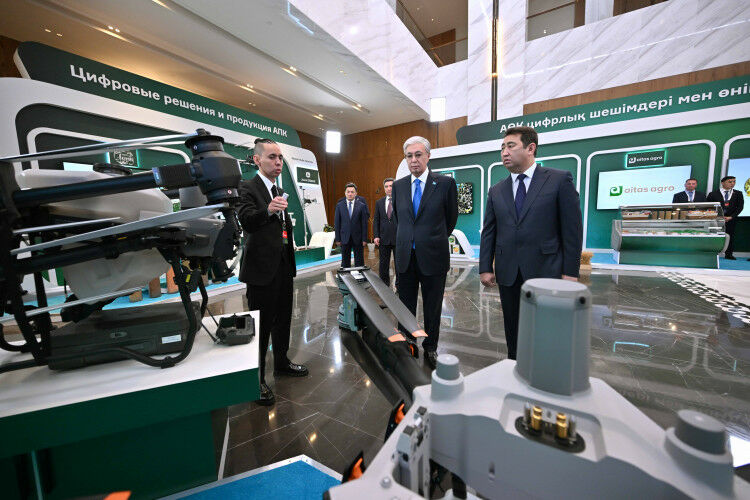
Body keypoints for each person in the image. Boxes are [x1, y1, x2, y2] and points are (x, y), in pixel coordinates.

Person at [479, 126, 582, 360]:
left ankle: (546, 369)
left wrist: (570, 272)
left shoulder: (558, 180)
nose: (504, 152)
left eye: (511, 146)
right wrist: (485, 267)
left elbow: (572, 230)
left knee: (547, 328)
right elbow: (489, 231)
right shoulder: (496, 190)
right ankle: (515, 365)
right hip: (509, 272)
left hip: (547, 270)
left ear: (530, 148)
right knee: (513, 328)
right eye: (502, 148)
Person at [237, 138, 308, 406]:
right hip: (260, 270)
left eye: (280, 158)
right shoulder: (247, 187)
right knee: (262, 325)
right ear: (257, 160)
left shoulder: (278, 189)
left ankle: (281, 362)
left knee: (283, 320)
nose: (278, 162)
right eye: (272, 157)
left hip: (283, 267)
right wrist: (267, 210)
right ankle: (256, 380)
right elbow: (246, 221)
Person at [391, 136, 457, 368]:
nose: (413, 160)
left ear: (428, 156)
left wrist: (430, 239)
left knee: (432, 306)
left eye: (418, 155)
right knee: (405, 306)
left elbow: (450, 219)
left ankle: (430, 347)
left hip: (433, 256)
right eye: (409, 156)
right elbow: (399, 219)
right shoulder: (398, 186)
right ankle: (408, 343)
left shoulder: (445, 184)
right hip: (405, 257)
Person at [707, 175, 744, 260]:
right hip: (716, 219)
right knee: (714, 235)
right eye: (730, 182)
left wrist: (731, 217)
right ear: (723, 183)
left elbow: (740, 207)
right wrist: (718, 217)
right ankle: (713, 253)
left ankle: (729, 254)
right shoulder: (713, 194)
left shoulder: (738, 193)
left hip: (731, 219)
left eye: (734, 182)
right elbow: (709, 207)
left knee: (730, 236)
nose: (732, 183)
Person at [334, 182, 369, 267]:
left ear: (356, 193)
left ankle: (360, 274)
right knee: (345, 261)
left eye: (352, 192)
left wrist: (364, 239)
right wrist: (337, 238)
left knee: (359, 261)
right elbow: (337, 223)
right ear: (345, 193)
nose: (350, 194)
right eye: (348, 192)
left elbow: (364, 224)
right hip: (344, 237)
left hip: (358, 238)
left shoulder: (361, 206)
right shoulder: (339, 205)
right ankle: (346, 275)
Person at [373, 178, 397, 286]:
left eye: (391, 186)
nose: (389, 188)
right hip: (383, 238)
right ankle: (384, 286)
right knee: (383, 265)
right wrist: (376, 236)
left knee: (399, 264)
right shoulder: (379, 202)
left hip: (398, 238)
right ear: (384, 188)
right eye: (386, 186)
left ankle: (399, 285)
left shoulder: (400, 200)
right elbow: (376, 220)